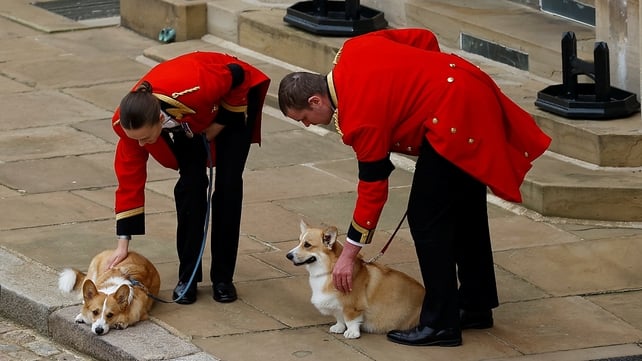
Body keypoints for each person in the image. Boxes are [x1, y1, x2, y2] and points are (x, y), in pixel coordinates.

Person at [278, 28, 551, 346]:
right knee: (465, 210)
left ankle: (441, 323)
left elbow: (373, 189)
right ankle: (476, 305)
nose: (308, 124)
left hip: (453, 118)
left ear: (315, 99)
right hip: (466, 87)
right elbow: (422, 38)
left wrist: (348, 254)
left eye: (305, 118)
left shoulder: (359, 118)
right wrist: (428, 80)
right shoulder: (352, 49)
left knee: (426, 221)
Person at [108, 51, 270, 305]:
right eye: (135, 138)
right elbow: (129, 181)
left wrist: (219, 124)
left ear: (160, 119)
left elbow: (239, 76)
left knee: (228, 187)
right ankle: (188, 277)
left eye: (144, 137)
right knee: (191, 188)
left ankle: (223, 278)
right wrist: (122, 244)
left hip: (229, 104)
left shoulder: (196, 85)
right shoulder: (130, 125)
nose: (139, 144)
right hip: (189, 122)